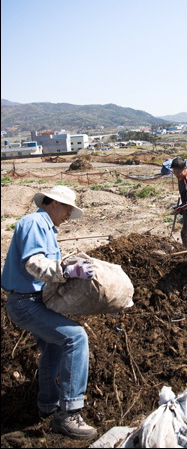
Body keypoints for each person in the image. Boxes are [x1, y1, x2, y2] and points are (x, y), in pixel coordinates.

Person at [1, 185, 98, 440]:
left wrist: (68, 263)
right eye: (67, 209)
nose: (68, 215)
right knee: (76, 338)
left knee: (54, 348)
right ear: (53, 203)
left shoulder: (44, 227)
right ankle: (69, 414)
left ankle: (47, 403)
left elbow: (47, 261)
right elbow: (34, 263)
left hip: (33, 300)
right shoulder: (34, 222)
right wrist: (68, 272)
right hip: (26, 302)